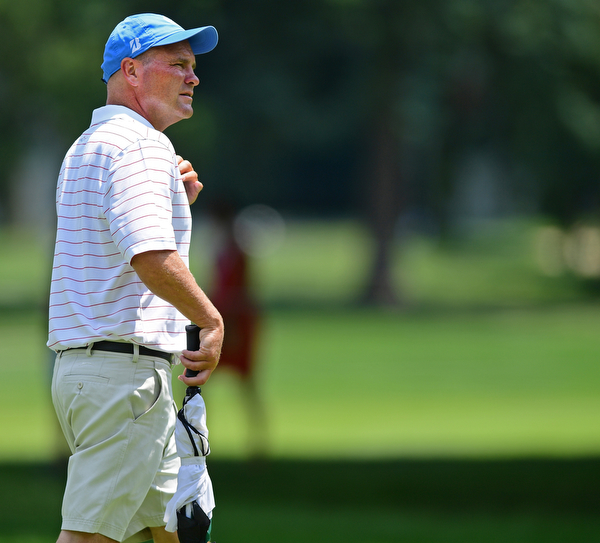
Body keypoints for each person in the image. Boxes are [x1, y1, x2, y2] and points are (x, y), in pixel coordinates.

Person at [47, 13, 224, 543]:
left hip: (96, 375)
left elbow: (117, 245)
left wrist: (173, 206)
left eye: (193, 67)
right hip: (124, 381)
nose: (193, 78)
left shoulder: (89, 145)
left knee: (170, 534)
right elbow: (149, 257)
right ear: (132, 71)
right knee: (88, 537)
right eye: (178, 65)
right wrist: (209, 320)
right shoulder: (143, 145)